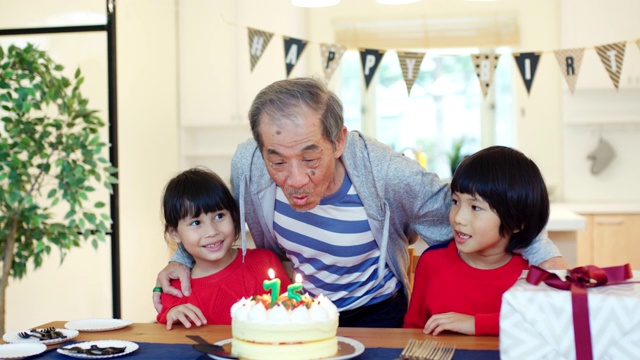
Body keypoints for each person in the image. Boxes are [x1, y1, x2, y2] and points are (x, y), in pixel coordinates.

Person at [154, 77, 568, 328]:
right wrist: (181, 259)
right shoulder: (248, 163)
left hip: (378, 313)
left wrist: (541, 252)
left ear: (339, 141)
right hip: (299, 313)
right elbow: (217, 219)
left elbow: (474, 212)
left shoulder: (387, 173)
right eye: (277, 160)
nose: (294, 179)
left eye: (310, 158)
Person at [403, 146, 548, 335]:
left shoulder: (535, 272)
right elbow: (412, 333)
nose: (458, 218)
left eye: (476, 207)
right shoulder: (432, 263)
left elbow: (546, 328)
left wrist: (477, 324)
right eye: (455, 202)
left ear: (518, 222)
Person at [156, 167, 291, 330]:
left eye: (219, 216)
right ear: (174, 233)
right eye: (196, 223)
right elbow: (166, 323)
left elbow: (291, 315)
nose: (212, 231)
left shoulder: (264, 263)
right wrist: (173, 314)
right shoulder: (175, 287)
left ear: (234, 216)